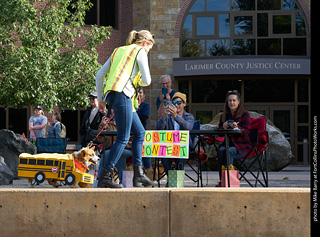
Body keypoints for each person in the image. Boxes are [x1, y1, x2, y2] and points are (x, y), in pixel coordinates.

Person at [95, 29, 157, 188]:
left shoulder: (118, 50)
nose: (148, 52)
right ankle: (106, 176)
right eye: (149, 49)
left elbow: (99, 75)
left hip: (114, 95)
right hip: (123, 94)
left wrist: (101, 100)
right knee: (123, 137)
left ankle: (138, 175)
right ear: (145, 43)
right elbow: (147, 81)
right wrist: (138, 83)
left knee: (140, 132)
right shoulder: (140, 51)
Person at [155, 92, 194, 179]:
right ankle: (171, 179)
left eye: (179, 103)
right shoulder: (168, 116)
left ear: (184, 104)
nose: (176, 105)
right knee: (163, 155)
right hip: (170, 146)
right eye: (174, 103)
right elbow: (157, 128)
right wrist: (164, 116)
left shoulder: (189, 116)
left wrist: (176, 116)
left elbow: (188, 127)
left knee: (180, 156)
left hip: (184, 148)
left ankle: (178, 180)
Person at [216, 90, 251, 187]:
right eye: (230, 100)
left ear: (238, 102)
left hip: (241, 145)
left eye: (234, 100)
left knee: (229, 151)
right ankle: (222, 180)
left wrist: (237, 127)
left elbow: (247, 131)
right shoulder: (224, 116)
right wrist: (223, 127)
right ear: (227, 102)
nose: (232, 103)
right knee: (220, 150)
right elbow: (219, 133)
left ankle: (229, 181)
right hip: (228, 143)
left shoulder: (245, 114)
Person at [136, 86, 152, 176]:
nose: (139, 94)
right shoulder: (131, 105)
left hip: (142, 132)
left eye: (140, 92)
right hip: (131, 134)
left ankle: (148, 174)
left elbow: (144, 117)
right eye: (137, 92)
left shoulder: (146, 105)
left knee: (144, 154)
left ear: (144, 95)